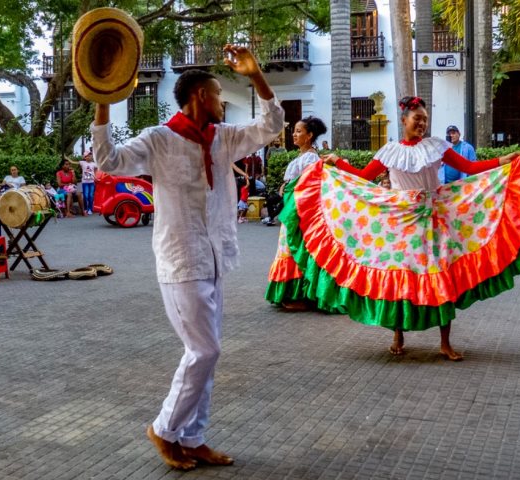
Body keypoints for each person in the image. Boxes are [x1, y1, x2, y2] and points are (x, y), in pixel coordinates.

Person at [91, 46, 284, 471]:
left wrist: (256, 75)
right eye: (217, 93)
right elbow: (107, 161)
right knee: (205, 351)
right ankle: (163, 429)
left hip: (215, 259)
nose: (221, 100)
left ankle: (193, 437)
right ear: (199, 96)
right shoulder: (160, 139)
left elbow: (272, 125)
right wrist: (103, 101)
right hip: (180, 262)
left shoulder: (223, 138)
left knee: (206, 356)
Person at [279, 96, 520, 361]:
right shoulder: (390, 151)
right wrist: (337, 162)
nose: (421, 123)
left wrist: (504, 161)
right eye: (417, 119)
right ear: (404, 120)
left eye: (425, 119)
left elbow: (470, 167)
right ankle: (398, 337)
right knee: (401, 279)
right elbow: (363, 176)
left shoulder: (436, 146)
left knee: (442, 278)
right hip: (399, 223)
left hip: (433, 221)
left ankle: (445, 343)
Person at [265, 116, 328, 307]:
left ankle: (298, 295)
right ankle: (291, 293)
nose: (294, 134)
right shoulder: (302, 156)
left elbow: (310, 185)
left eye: (299, 131)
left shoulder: (311, 157)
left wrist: (290, 187)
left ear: (309, 136)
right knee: (288, 246)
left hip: (299, 209)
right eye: (294, 130)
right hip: (292, 205)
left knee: (294, 247)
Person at [68, 149, 98, 215]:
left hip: (92, 182)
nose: (89, 157)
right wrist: (68, 158)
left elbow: (96, 170)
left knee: (91, 196)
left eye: (90, 156)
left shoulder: (94, 164)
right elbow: (73, 162)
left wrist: (96, 177)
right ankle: (85, 209)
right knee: (85, 195)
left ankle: (90, 209)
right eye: (87, 156)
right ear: (84, 157)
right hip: (85, 182)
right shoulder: (82, 162)